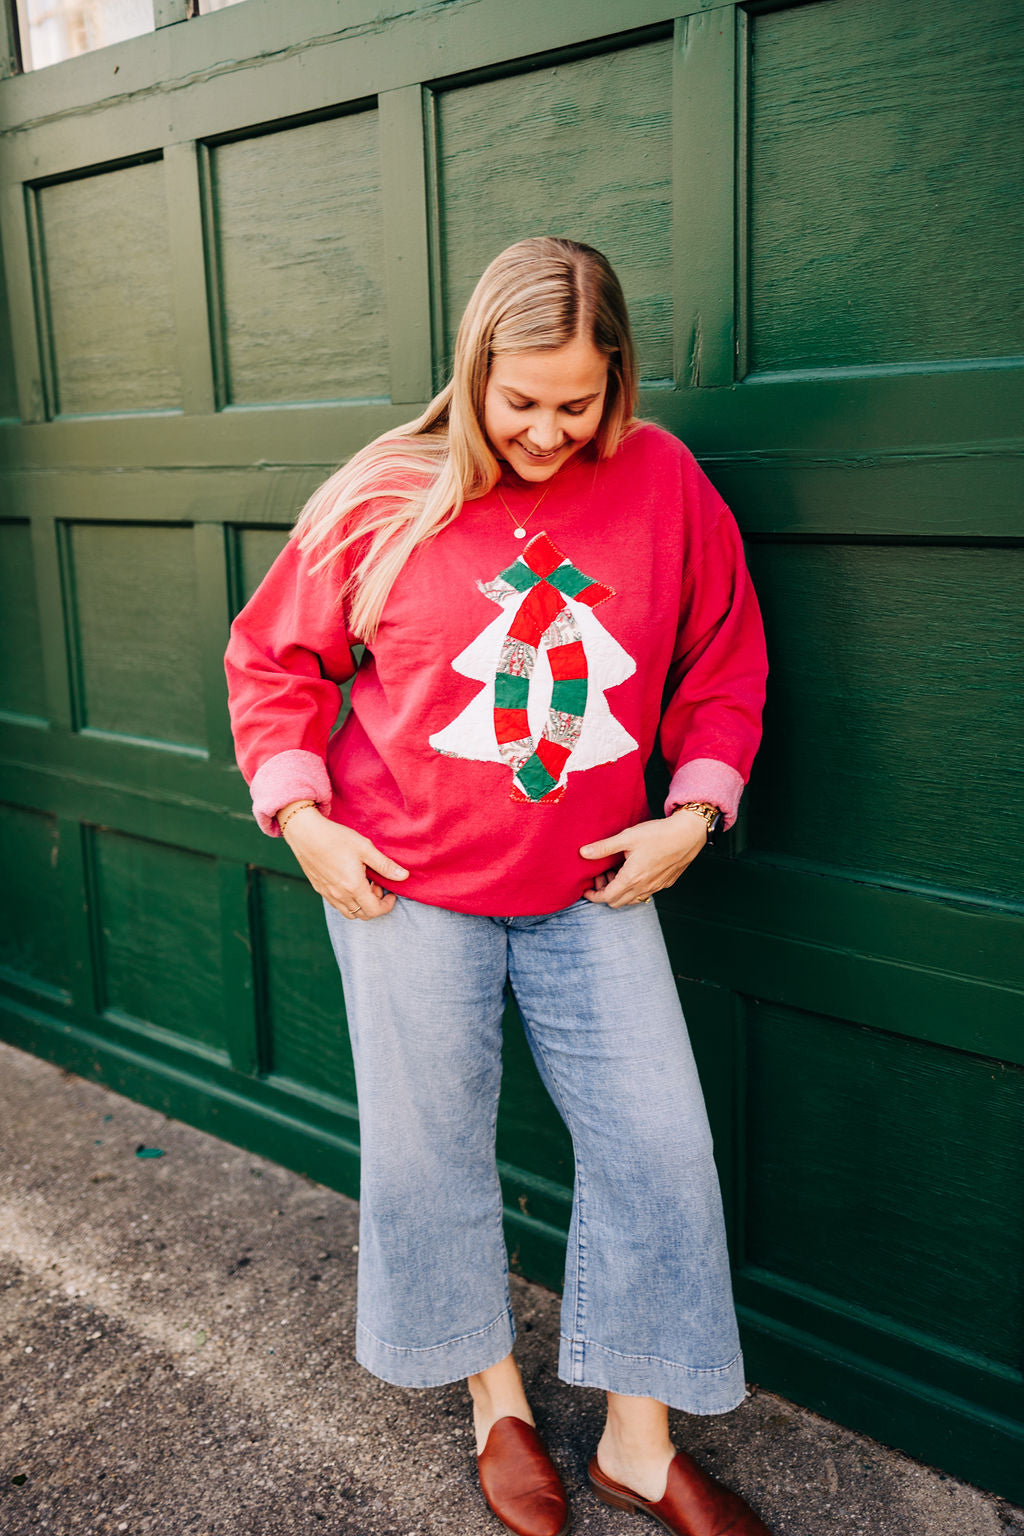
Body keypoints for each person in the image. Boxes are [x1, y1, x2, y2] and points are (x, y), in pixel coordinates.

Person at [225, 238, 771, 1536]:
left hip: (593, 890)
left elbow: (724, 657)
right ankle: (497, 1401)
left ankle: (640, 1446)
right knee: (432, 1156)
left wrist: (694, 812)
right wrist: (303, 816)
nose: (542, 430)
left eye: (575, 403)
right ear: (471, 371)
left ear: (616, 378)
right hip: (406, 888)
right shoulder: (383, 492)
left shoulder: (663, 484)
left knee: (661, 1151)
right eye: (515, 400)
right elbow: (271, 663)